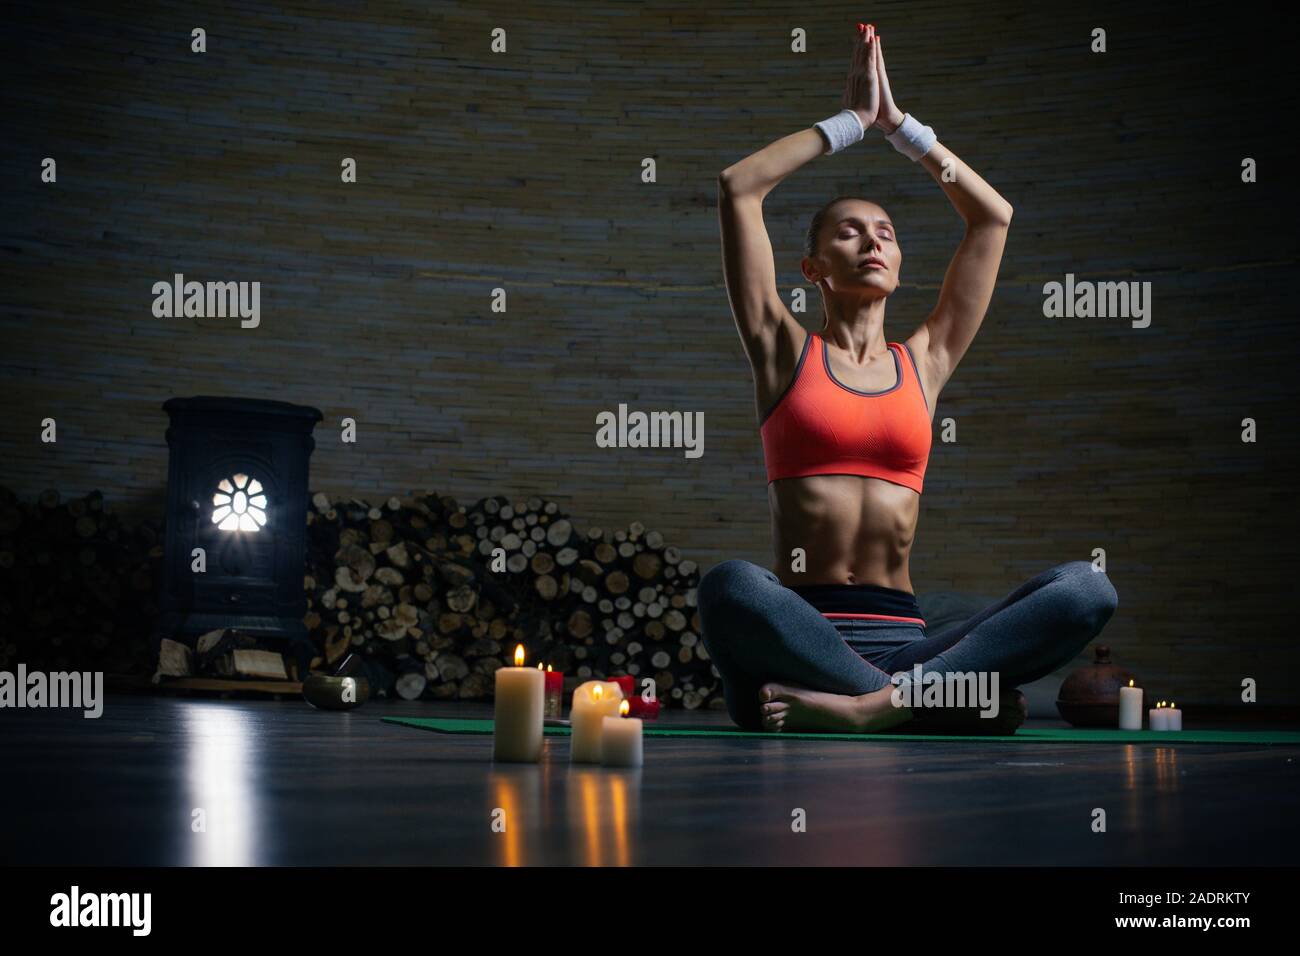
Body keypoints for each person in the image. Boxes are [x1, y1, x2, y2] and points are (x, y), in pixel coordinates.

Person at [702, 23, 1117, 734]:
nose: (872, 240)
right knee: (731, 586)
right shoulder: (781, 349)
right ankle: (936, 705)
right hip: (801, 636)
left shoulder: (922, 361)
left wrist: (903, 129)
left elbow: (993, 218)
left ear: (899, 267)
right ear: (812, 269)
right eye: (849, 231)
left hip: (911, 642)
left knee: (1086, 587)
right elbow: (739, 187)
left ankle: (873, 710)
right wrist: (851, 124)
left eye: (886, 233)